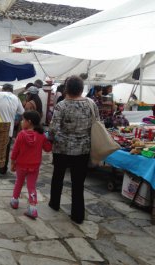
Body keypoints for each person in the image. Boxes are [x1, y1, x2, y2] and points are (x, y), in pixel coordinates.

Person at [48, 76, 99, 224]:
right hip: (83, 149)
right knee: (78, 183)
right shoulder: (91, 104)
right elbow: (96, 124)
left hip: (62, 149)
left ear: (66, 88)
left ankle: (54, 203)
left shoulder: (61, 106)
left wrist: (52, 138)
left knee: (58, 177)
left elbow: (53, 130)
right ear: (81, 89)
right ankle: (78, 215)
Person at [10, 111, 52, 218]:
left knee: (19, 182)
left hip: (21, 165)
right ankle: (33, 208)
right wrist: (50, 139)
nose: (21, 122)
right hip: (34, 166)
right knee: (31, 186)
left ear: (29, 122)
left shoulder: (21, 135)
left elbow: (15, 151)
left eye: (23, 120)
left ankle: (15, 201)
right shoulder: (41, 135)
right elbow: (47, 149)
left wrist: (12, 163)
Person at [0, 83, 24, 175]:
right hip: (9, 128)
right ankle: (2, 170)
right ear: (12, 90)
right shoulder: (16, 98)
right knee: (5, 149)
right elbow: (22, 111)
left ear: (3, 89)